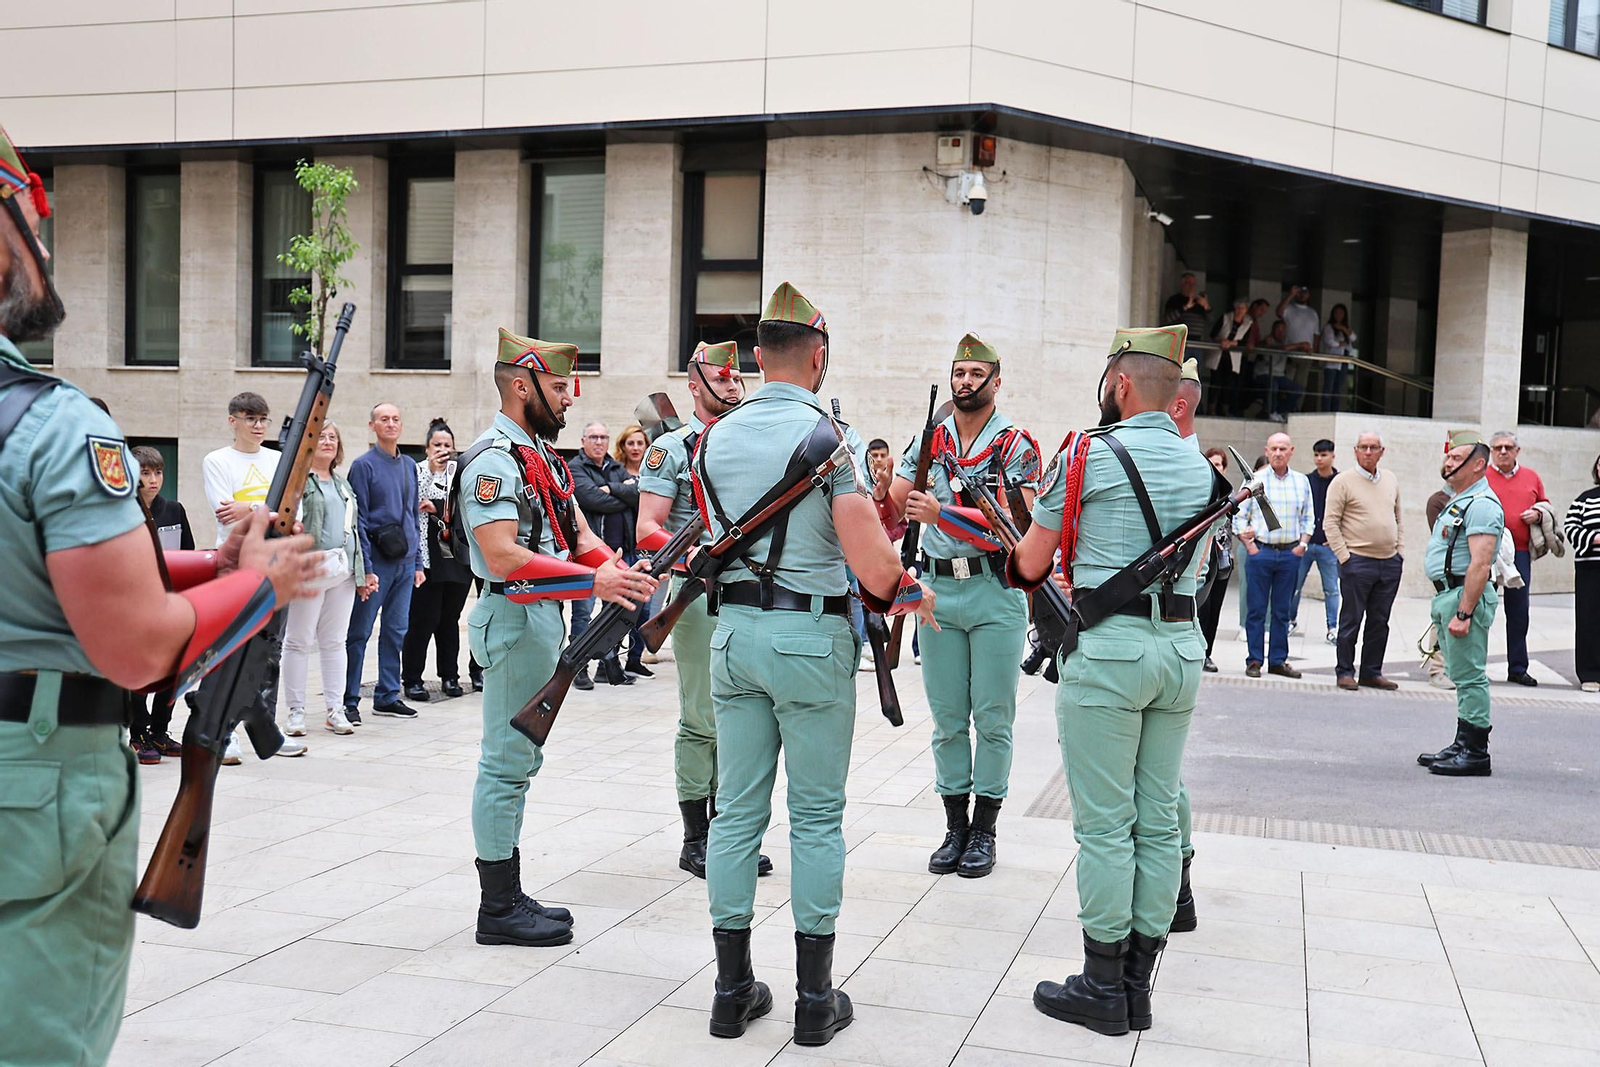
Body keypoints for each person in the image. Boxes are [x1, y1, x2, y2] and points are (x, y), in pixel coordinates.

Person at [0, 121, 317, 1067]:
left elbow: (37, 578)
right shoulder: (52, 424)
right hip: (33, 776)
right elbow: (136, 645)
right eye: (30, 218)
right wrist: (257, 584)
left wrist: (211, 566)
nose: (45, 246)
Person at [695, 284, 936, 1047]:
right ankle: (812, 999)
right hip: (808, 639)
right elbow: (873, 565)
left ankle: (731, 991)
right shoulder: (833, 439)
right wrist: (911, 589)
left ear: (757, 356)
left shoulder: (713, 438)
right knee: (816, 817)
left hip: (734, 635)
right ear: (819, 356)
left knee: (736, 814)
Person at [1008, 324, 1216, 1036]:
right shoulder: (1202, 468)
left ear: (1120, 384)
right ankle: (1137, 985)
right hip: (1180, 651)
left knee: (1105, 826)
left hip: (1109, 656)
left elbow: (1031, 563)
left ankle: (1101, 984)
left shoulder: (1086, 455)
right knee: (1156, 818)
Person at [457, 327, 658, 949]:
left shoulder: (539, 457)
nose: (570, 398)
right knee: (505, 762)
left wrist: (618, 571)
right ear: (522, 387)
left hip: (539, 617)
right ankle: (497, 906)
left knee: (522, 760)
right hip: (513, 616)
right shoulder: (493, 460)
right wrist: (594, 581)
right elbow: (501, 554)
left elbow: (576, 533)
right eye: (559, 387)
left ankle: (509, 891)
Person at [884, 333, 1040, 879]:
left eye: (976, 373)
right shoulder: (931, 437)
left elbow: (1019, 524)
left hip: (995, 590)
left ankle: (984, 830)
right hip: (937, 591)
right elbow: (897, 502)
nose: (966, 381)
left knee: (993, 717)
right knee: (948, 720)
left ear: (996, 381)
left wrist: (942, 515)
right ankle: (954, 827)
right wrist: (880, 486)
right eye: (959, 373)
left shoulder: (1015, 443)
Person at [638, 341, 769, 880]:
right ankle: (697, 838)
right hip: (695, 594)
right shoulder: (672, 448)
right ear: (695, 386)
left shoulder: (753, 441)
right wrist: (696, 555)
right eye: (722, 378)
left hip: (750, 594)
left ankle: (730, 831)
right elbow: (648, 527)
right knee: (701, 718)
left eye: (738, 378)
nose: (733, 386)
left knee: (744, 719)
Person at [201, 391, 304, 759]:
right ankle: (225, 732)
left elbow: (293, 513)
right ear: (233, 421)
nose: (258, 426)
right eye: (250, 419)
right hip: (237, 564)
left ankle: (267, 729)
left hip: (277, 563)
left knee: (270, 652)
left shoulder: (278, 459)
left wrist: (248, 506)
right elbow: (225, 514)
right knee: (231, 648)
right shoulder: (217, 460)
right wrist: (265, 509)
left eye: (263, 419)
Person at [1418, 431, 1506, 776]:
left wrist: (1464, 612)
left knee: (1470, 677)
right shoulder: (1461, 498)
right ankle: (1462, 742)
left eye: (1457, 458)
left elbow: (1480, 564)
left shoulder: (1481, 504)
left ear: (1478, 464)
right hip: (1449, 594)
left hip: (1462, 596)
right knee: (1461, 674)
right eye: (1449, 457)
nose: (1448, 463)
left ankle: (1475, 752)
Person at [282, 421, 365, 736]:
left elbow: (355, 529)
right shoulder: (299, 482)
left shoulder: (343, 484)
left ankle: (335, 710)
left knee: (334, 641)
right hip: (310, 569)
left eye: (333, 437)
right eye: (321, 437)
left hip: (343, 571)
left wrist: (363, 571)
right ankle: (296, 712)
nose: (328, 442)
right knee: (299, 641)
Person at [345, 403, 425, 721]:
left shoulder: (408, 465)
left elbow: (413, 516)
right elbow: (359, 520)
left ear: (401, 425)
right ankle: (349, 699)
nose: (390, 424)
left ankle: (388, 695)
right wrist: (365, 568)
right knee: (359, 632)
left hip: (405, 563)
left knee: (396, 630)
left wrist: (417, 562)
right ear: (372, 426)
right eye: (384, 419)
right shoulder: (363, 466)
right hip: (376, 563)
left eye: (395, 419)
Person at [127, 445, 193, 764]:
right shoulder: (122, 514)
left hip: (170, 603)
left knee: (173, 670)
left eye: (158, 472)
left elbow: (189, 554)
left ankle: (159, 731)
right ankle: (138, 734)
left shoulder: (175, 510)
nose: (153, 479)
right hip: (134, 606)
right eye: (145, 473)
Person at [1324, 431, 1404, 692]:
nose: (1368, 452)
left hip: (1389, 562)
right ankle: (1345, 671)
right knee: (1351, 620)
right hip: (1357, 562)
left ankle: (1371, 672)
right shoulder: (1342, 482)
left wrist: (1399, 551)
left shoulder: (1390, 479)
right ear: (1355, 451)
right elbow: (1330, 523)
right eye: (1363, 447)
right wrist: (1345, 557)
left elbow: (1398, 517)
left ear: (1382, 451)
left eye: (1373, 447)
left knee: (1380, 621)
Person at [403, 419, 473, 702]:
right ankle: (412, 679)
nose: (442, 450)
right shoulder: (417, 470)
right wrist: (432, 471)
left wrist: (440, 507)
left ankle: (450, 676)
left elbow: (467, 508)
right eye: (437, 445)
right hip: (427, 558)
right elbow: (413, 503)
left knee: (449, 621)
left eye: (447, 445)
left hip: (455, 557)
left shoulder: (460, 474)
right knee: (422, 621)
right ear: (427, 447)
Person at [1234, 432, 1312, 678]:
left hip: (1290, 554)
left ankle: (1278, 660)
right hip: (1261, 552)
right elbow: (1238, 515)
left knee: (1282, 611)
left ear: (1291, 451)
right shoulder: (1254, 480)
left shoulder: (1301, 481)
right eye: (1274, 449)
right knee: (1256, 609)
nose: (1278, 453)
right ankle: (1254, 660)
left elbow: (1308, 516)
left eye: (1283, 448)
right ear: (1266, 451)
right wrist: (1249, 546)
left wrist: (1302, 545)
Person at [570, 420, 638, 688]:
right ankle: (577, 668)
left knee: (614, 613)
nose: (599, 442)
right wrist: (623, 494)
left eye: (603, 437)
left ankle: (607, 667)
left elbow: (638, 495)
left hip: (619, 552)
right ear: (583, 441)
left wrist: (612, 489)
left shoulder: (616, 467)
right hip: (589, 554)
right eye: (593, 437)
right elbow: (590, 499)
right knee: (582, 614)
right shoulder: (575, 468)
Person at [1485, 432, 1548, 685]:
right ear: (1491, 451)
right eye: (1498, 447)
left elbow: (1545, 505)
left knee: (1519, 611)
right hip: (1486, 552)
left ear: (1517, 451)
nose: (1503, 452)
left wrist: (1538, 514)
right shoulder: (1480, 477)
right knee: (1482, 609)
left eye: (1508, 447)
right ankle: (1476, 666)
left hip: (1519, 553)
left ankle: (1518, 668)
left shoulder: (1532, 477)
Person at [1290, 439, 1340, 644]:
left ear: (1332, 456)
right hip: (1305, 543)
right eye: (1316, 455)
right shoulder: (1306, 480)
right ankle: (1290, 620)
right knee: (1294, 585)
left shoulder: (1339, 482)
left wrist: (1337, 538)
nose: (1319, 459)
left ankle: (1332, 627)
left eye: (1324, 455)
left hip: (1328, 546)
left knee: (1331, 589)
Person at [614, 423, 654, 676]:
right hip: (622, 547)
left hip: (646, 550)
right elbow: (602, 500)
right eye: (631, 443)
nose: (636, 448)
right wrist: (625, 491)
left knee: (645, 608)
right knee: (621, 608)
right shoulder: (615, 470)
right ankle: (612, 661)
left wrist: (621, 491)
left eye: (640, 443)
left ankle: (635, 659)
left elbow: (638, 498)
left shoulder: (651, 471)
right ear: (623, 446)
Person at [1564, 453, 1600, 693]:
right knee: (1589, 620)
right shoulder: (1584, 499)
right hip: (1590, 569)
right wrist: (1594, 538)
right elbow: (1570, 526)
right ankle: (1590, 674)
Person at [1195, 448, 1233, 671]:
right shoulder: (1199, 490)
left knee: (1215, 608)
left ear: (1224, 468)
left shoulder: (1229, 494)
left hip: (1221, 557)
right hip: (1201, 557)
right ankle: (1196, 651)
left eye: (1219, 464)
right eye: (1211, 463)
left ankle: (1207, 653)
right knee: (1202, 605)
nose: (1215, 468)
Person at [1209, 297, 1256, 416]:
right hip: (1219, 353)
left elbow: (1245, 341)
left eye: (1243, 308)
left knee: (1229, 383)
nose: (1240, 310)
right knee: (1216, 381)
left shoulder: (1248, 322)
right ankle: (1211, 408)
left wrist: (1232, 343)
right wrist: (1222, 341)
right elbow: (1213, 334)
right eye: (1238, 307)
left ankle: (1225, 409)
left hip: (1233, 356)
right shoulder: (1226, 317)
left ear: (1246, 309)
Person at [1256, 319, 1306, 420]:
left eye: (1283, 330)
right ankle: (1271, 412)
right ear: (1273, 330)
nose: (1280, 332)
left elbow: (1291, 348)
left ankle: (1279, 411)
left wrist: (1305, 348)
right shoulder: (1268, 340)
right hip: (1263, 374)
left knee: (1298, 390)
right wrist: (1300, 345)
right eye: (1278, 329)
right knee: (1273, 384)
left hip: (1280, 375)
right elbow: (1282, 348)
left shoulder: (1286, 342)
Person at [1161, 273, 1211, 364]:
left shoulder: (1199, 302)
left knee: (1194, 369)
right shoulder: (1175, 300)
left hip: (1197, 343)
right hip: (1179, 342)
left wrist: (1206, 307)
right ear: (1182, 284)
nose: (1191, 287)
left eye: (1193, 284)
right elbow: (1168, 318)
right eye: (1188, 283)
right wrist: (1185, 307)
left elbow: (1211, 321)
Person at [1318, 303, 1356, 412]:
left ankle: (1334, 410)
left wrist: (1343, 328)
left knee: (1338, 388)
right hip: (1332, 360)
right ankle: (1326, 411)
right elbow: (1329, 341)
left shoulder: (1346, 329)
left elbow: (1353, 337)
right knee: (1328, 387)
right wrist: (1340, 344)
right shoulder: (1328, 327)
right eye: (1336, 313)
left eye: (1341, 313)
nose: (1338, 315)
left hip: (1344, 360)